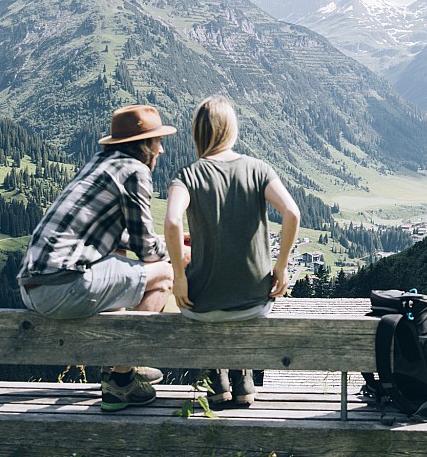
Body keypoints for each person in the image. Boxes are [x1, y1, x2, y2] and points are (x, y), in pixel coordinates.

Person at [16, 104, 182, 412]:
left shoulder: (100, 164)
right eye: (158, 141)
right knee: (166, 276)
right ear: (145, 144)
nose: (162, 150)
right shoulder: (135, 171)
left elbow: (118, 239)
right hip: (66, 286)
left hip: (34, 288)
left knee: (119, 256)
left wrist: (164, 244)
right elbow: (146, 250)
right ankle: (121, 379)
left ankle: (119, 364)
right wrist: (176, 254)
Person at [164, 96, 301, 407]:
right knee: (238, 306)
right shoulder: (258, 169)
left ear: (197, 133)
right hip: (255, 300)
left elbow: (172, 220)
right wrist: (281, 266)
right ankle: (243, 376)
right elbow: (292, 213)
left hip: (203, 304)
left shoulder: (187, 175)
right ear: (231, 130)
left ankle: (217, 378)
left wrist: (178, 277)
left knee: (203, 304)